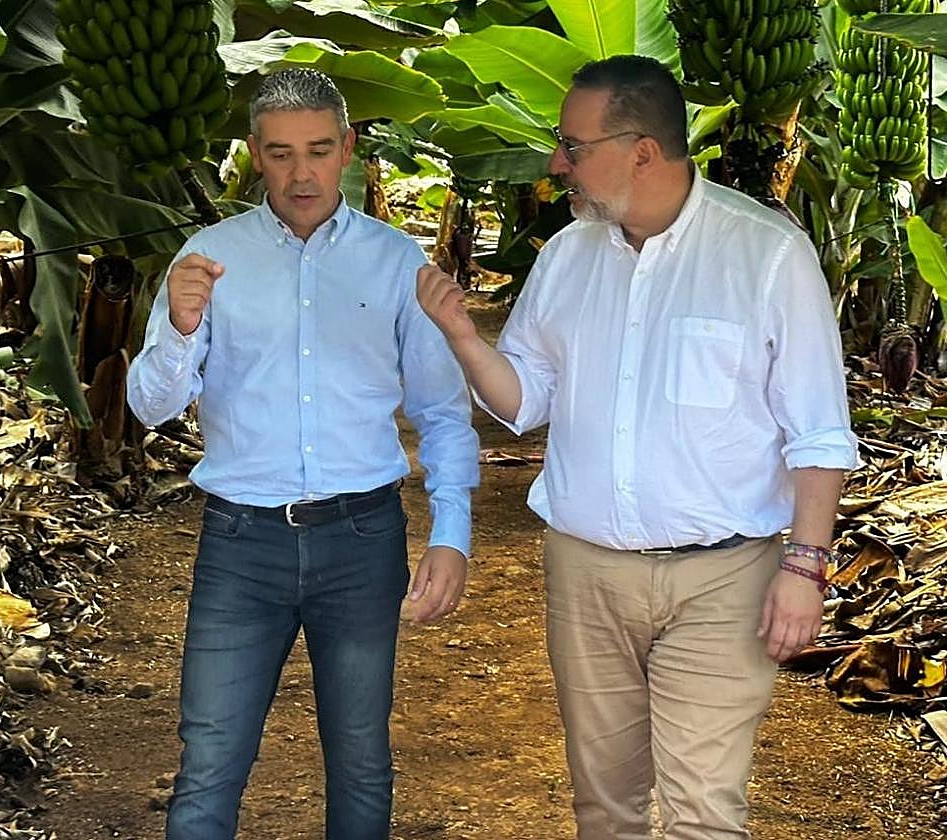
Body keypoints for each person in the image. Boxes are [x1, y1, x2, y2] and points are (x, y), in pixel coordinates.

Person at [416, 55, 857, 839]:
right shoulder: (566, 257)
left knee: (702, 812)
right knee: (604, 805)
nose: (558, 165)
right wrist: (460, 333)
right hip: (588, 576)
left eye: (573, 147)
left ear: (642, 151)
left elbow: (817, 430)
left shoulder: (765, 255)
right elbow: (524, 401)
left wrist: (805, 566)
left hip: (724, 579)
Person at [126, 67, 480, 840]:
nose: (301, 172)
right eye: (281, 154)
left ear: (347, 147)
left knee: (360, 758)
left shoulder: (395, 261)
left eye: (319, 150)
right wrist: (180, 331)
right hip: (240, 541)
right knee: (210, 757)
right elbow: (150, 407)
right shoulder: (209, 258)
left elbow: (443, 412)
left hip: (362, 540)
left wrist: (450, 532)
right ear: (255, 154)